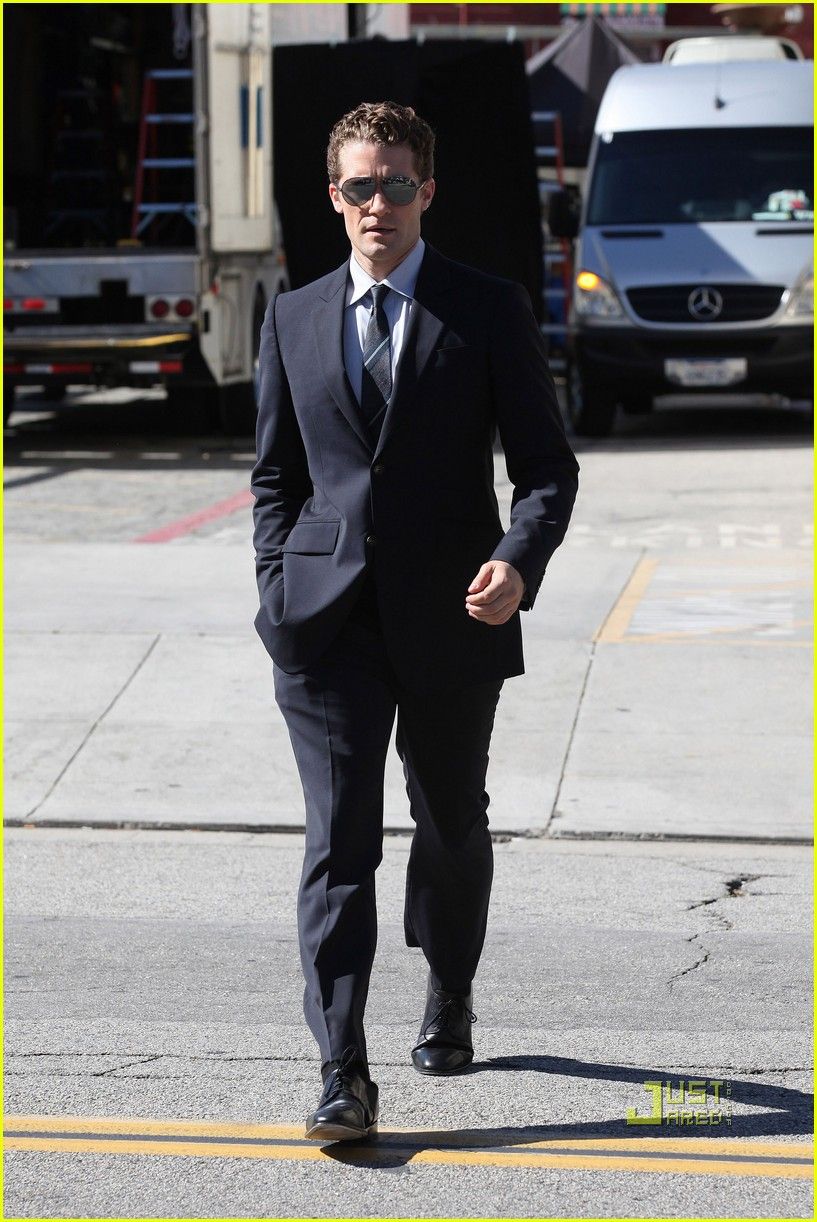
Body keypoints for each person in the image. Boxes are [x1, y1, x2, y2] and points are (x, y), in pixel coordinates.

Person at [251, 101, 578, 1143]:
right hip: (326, 626)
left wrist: (516, 562)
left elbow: (546, 469)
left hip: (453, 615)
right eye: (359, 186)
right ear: (333, 195)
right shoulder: (292, 316)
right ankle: (341, 1070)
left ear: (426, 191)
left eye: (396, 184)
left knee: (450, 825)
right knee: (338, 841)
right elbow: (276, 478)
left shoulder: (486, 308)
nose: (377, 204)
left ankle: (449, 984)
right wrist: (275, 588)